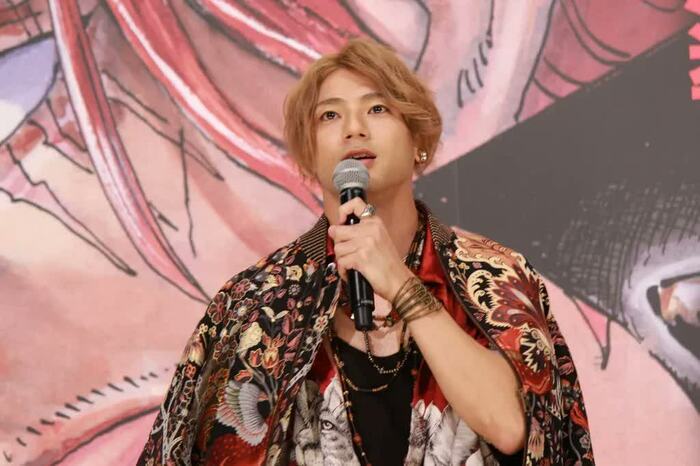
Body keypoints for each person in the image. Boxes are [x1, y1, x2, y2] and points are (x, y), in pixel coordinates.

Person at [137, 38, 594, 466]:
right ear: (309, 155)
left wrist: (400, 283)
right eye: (329, 116)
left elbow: (512, 428)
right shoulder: (254, 302)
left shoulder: (495, 276)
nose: (354, 129)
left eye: (377, 108)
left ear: (417, 141)